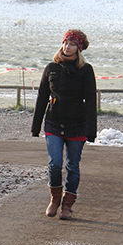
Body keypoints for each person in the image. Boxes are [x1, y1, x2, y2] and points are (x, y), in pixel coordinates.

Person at [31, 29, 97, 220]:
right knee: (54, 164)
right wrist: (36, 127)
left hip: (77, 125)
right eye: (66, 43)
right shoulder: (51, 67)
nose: (67, 47)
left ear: (79, 48)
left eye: (72, 44)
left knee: (73, 166)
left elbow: (91, 101)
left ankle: (67, 205)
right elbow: (42, 97)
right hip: (53, 123)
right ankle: (54, 199)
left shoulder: (86, 70)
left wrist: (91, 130)